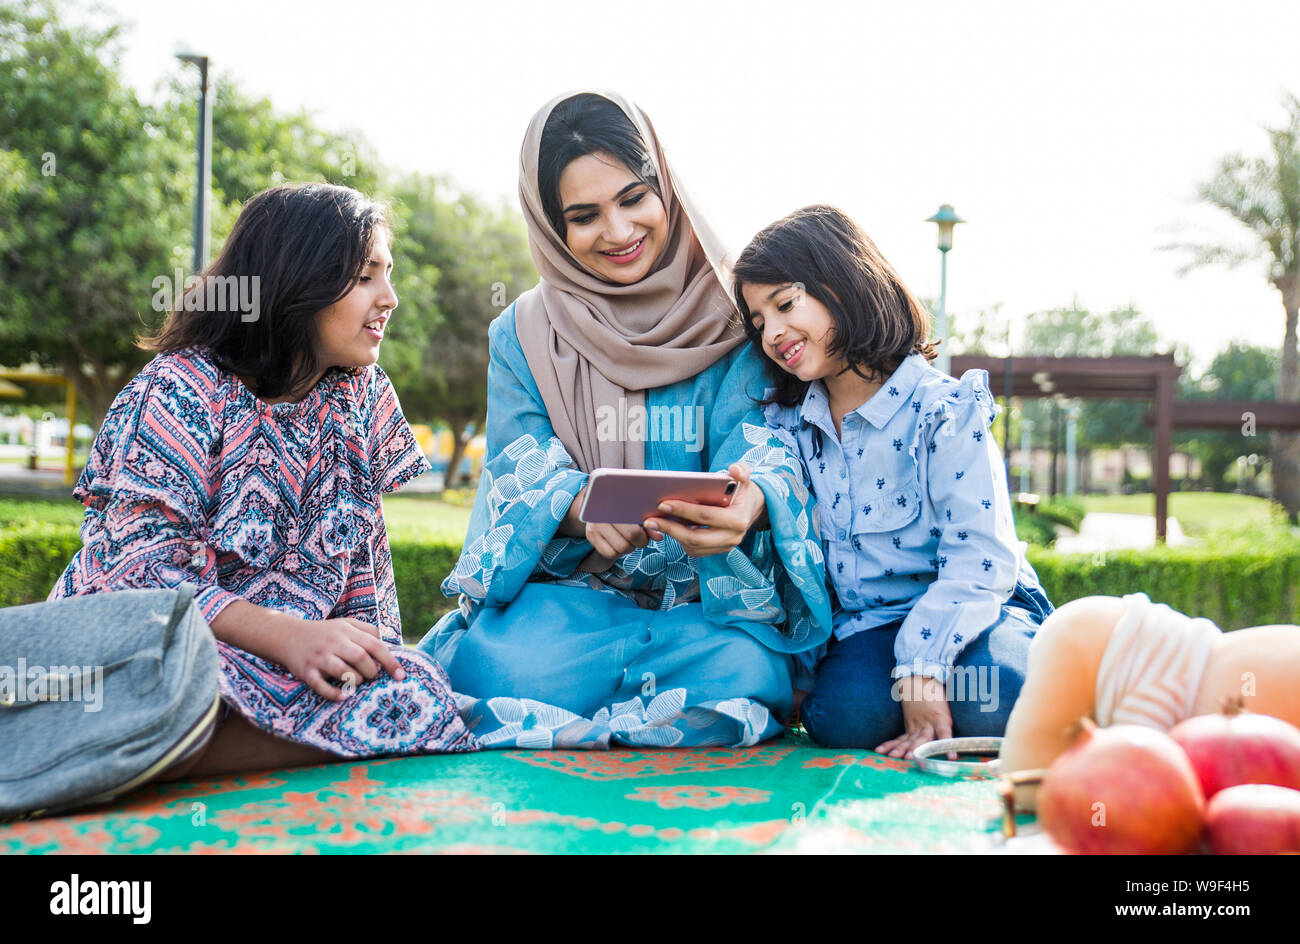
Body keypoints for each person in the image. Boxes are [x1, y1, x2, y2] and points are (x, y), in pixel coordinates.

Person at [418, 90, 832, 749]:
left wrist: (747, 503)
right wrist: (580, 506)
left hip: (706, 610)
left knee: (741, 667)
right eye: (583, 216)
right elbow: (516, 462)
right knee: (499, 664)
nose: (617, 232)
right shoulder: (523, 333)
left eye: (634, 198)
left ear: (666, 187)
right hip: (571, 606)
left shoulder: (737, 315)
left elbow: (765, 446)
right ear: (552, 227)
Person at [49, 183, 476, 779]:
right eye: (365, 277)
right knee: (165, 683)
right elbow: (140, 573)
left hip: (289, 668)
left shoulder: (363, 397)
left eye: (389, 274)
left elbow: (365, 561)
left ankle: (125, 756)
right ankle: (106, 743)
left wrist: (373, 655)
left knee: (416, 689)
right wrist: (289, 638)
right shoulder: (180, 389)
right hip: (164, 644)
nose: (391, 298)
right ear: (295, 282)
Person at [733, 204, 1053, 756]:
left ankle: (1064, 658)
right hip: (870, 628)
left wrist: (923, 669)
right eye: (760, 322)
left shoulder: (944, 412)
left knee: (998, 695)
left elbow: (981, 555)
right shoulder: (784, 428)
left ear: (844, 284)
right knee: (841, 717)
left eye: (785, 304)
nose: (774, 333)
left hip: (974, 607)